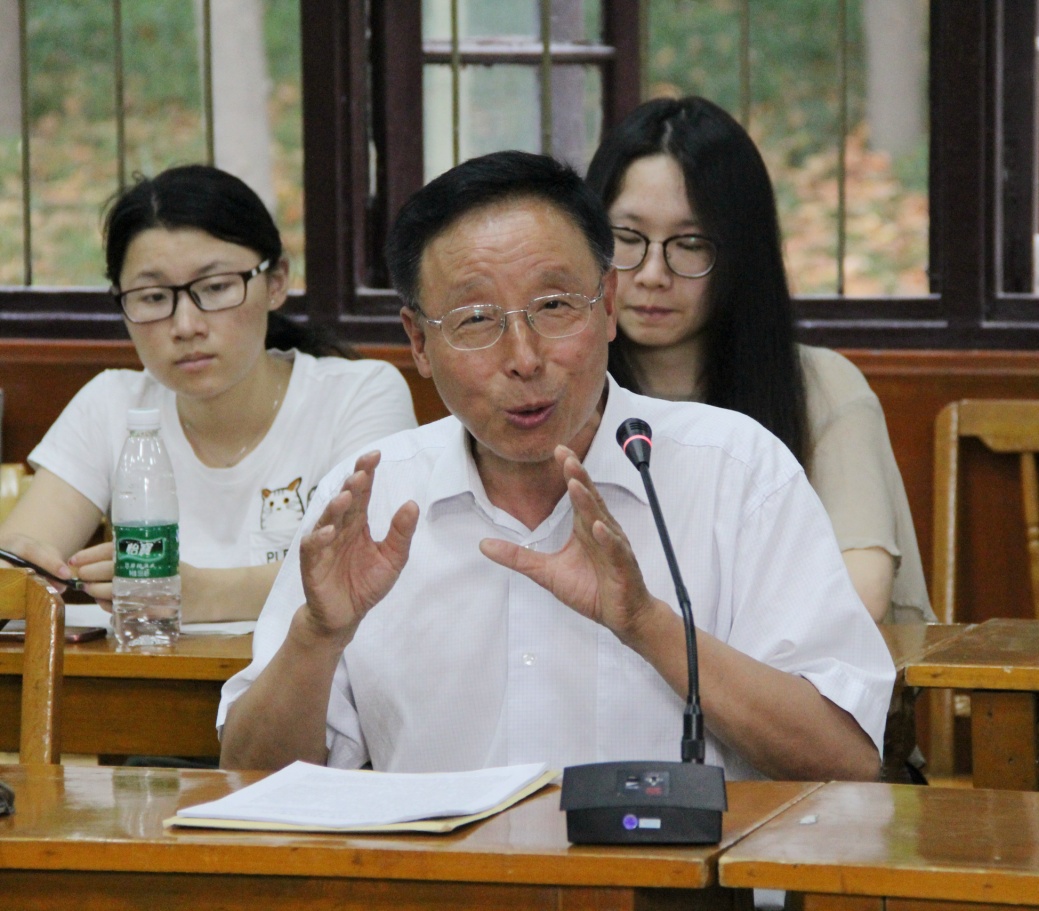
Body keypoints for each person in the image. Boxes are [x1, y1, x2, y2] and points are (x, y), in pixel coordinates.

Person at [218, 150, 894, 781]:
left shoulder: (734, 470)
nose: (523, 357)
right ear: (419, 342)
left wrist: (648, 625)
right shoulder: (372, 497)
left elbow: (846, 760)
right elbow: (247, 775)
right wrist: (317, 637)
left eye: (553, 306)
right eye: (475, 319)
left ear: (608, 306)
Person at [0, 164, 417, 622]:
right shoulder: (111, 405)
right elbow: (15, 574)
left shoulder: (359, 395)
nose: (186, 326)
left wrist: (203, 594)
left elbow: (365, 569)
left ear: (276, 281)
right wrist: (19, 571)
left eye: (216, 287)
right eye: (153, 297)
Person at [585, 96, 934, 626]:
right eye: (627, 238)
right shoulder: (561, 389)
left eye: (690, 243)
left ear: (742, 255)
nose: (653, 273)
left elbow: (859, 598)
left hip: (789, 677)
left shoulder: (821, 388)